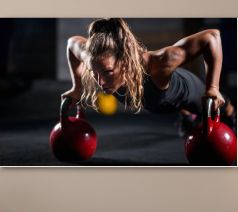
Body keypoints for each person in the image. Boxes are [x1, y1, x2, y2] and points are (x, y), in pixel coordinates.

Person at [62, 18, 228, 135]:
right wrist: (77, 88)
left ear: (126, 61)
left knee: (222, 110)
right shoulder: (94, 58)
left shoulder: (160, 62)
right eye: (93, 73)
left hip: (187, 90)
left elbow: (212, 36)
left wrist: (213, 88)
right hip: (159, 103)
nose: (100, 82)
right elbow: (71, 43)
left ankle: (227, 112)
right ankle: (186, 115)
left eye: (108, 72)